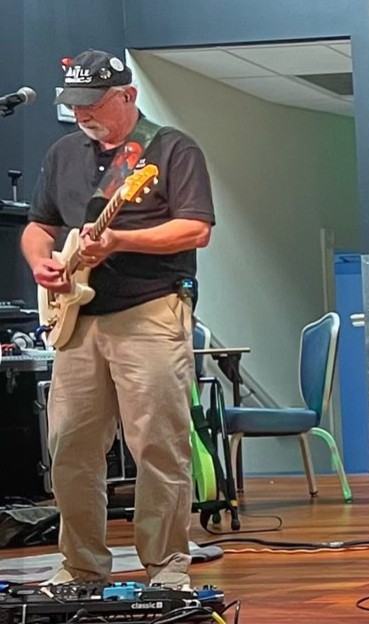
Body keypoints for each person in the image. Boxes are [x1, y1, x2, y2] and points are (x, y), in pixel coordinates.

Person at [22, 49, 214, 588]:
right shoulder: (63, 153)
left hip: (149, 309)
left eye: (93, 103)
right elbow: (39, 226)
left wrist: (120, 240)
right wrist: (40, 262)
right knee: (70, 447)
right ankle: (80, 566)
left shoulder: (172, 149)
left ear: (127, 95)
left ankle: (167, 567)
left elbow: (196, 229)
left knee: (157, 444)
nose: (82, 113)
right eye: (74, 103)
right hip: (78, 320)